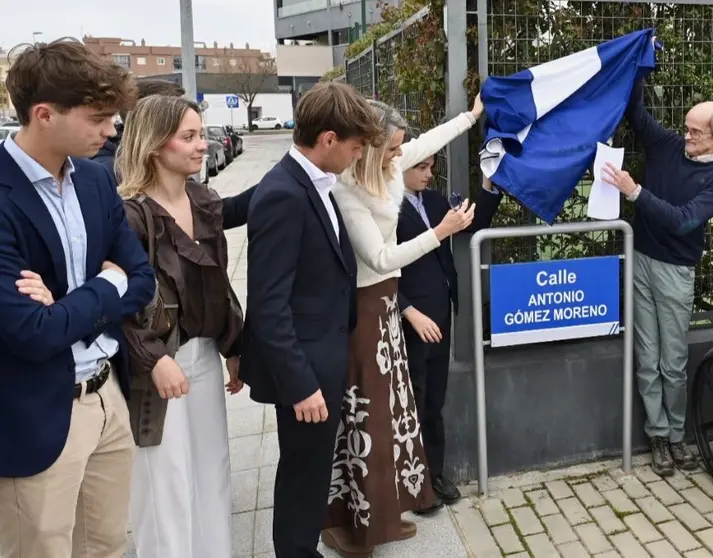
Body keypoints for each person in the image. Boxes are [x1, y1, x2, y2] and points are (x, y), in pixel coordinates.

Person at [0, 39, 156, 557]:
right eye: (98, 118)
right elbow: (30, 332)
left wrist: (66, 304)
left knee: (107, 544)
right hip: (36, 413)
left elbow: (142, 279)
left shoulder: (93, 178)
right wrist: (105, 285)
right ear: (44, 114)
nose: (112, 130)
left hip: (108, 395)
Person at [321, 98, 481, 556]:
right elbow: (379, 258)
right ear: (370, 147)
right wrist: (440, 232)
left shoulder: (386, 167)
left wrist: (471, 117)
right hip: (366, 308)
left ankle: (386, 515)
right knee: (368, 419)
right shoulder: (348, 191)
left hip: (388, 304)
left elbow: (430, 141)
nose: (400, 155)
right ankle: (356, 524)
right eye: (393, 148)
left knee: (391, 417)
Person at [239, 81, 384, 558]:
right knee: (303, 471)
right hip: (304, 368)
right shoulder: (284, 193)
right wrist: (301, 385)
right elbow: (268, 304)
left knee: (311, 467)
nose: (358, 156)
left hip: (322, 353)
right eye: (356, 147)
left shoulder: (308, 181)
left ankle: (300, 547)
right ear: (328, 139)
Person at [117, 95, 246, 558]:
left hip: (205, 356)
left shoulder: (204, 200)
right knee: (163, 488)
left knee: (213, 472)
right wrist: (154, 359)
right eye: (189, 136)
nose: (202, 145)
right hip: (156, 367)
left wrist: (234, 346)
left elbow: (218, 282)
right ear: (155, 145)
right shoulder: (129, 215)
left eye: (200, 134)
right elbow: (119, 304)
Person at [602, 73, 713, 477]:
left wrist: (634, 192)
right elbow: (635, 111)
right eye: (686, 128)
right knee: (647, 357)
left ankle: (678, 436)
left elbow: (683, 221)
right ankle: (658, 436)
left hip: (676, 270)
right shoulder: (668, 145)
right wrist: (639, 64)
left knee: (673, 361)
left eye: (696, 133)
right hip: (640, 259)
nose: (687, 137)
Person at [398, 151, 503, 511]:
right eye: (421, 167)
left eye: (432, 167)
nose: (429, 174)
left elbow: (474, 223)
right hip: (411, 319)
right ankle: (413, 485)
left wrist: (488, 181)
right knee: (413, 398)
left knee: (434, 398)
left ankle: (434, 473)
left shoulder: (433, 199)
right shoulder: (386, 208)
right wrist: (407, 310)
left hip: (441, 314)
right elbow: (378, 268)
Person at [91, 78, 257, 229]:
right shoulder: (107, 178)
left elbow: (222, 213)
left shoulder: (183, 184)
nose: (202, 146)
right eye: (187, 136)